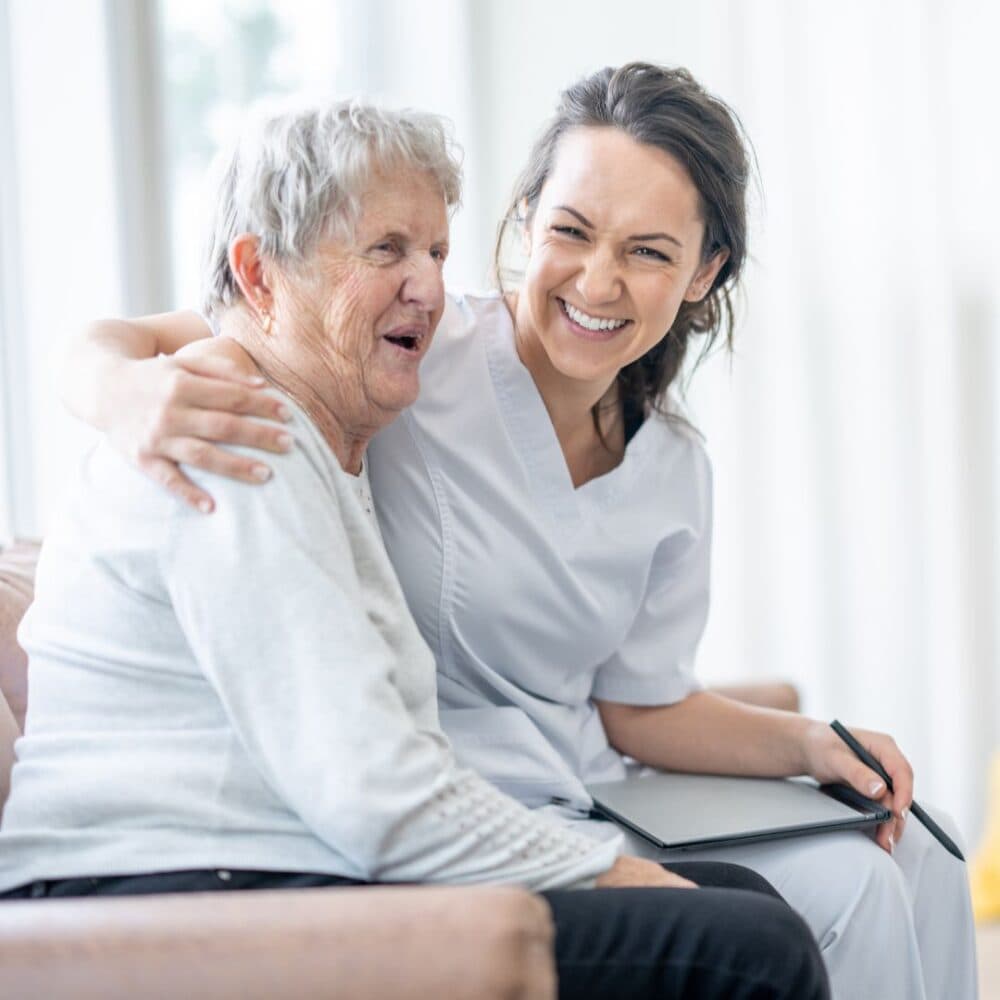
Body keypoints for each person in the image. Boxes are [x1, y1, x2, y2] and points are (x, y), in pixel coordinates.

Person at [60, 63, 978, 999]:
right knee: (829, 902)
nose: (599, 279)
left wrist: (810, 743)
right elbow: (227, 325)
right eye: (571, 231)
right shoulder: (403, 356)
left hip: (579, 791)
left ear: (704, 273)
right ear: (529, 222)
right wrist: (110, 383)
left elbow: (637, 703)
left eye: (651, 252)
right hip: (440, 805)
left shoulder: (665, 463)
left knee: (924, 857)